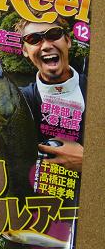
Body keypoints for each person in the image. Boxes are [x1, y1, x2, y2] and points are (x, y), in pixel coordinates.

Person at [15, 16, 85, 172]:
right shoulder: (18, 102)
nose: (46, 46)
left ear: (68, 41)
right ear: (25, 50)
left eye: (53, 34)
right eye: (34, 39)